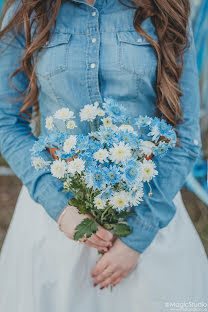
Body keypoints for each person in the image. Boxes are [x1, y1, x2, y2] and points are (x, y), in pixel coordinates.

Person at [0, 0, 207, 311]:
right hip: (54, 220)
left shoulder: (165, 9)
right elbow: (6, 121)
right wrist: (60, 208)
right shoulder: (28, 11)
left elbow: (185, 133)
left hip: (148, 212)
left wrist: (137, 237)